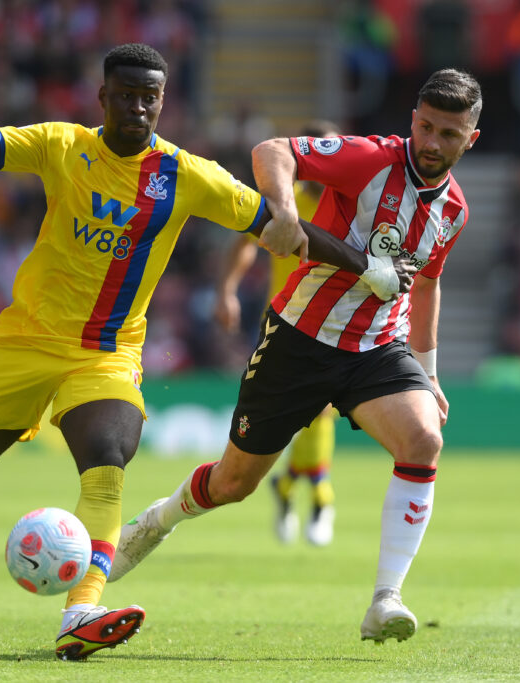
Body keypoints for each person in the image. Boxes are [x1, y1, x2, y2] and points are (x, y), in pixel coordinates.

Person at [0, 43, 408, 661]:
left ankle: (82, 610)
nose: (137, 107)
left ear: (162, 101)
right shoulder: (61, 144)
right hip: (24, 342)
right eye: (125, 95)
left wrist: (368, 265)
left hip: (107, 353)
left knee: (108, 459)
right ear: (103, 98)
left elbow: (278, 226)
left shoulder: (186, 175)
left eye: (149, 97)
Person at [110, 68, 483, 646]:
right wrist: (284, 209)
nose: (432, 144)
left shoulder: (453, 209)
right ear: (413, 120)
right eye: (426, 127)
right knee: (233, 483)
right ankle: (157, 522)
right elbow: (272, 150)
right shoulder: (370, 159)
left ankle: (386, 600)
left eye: (449, 134)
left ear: (471, 139)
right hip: (300, 339)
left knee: (424, 439)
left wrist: (429, 375)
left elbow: (427, 286)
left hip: (377, 349)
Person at [214, 119, 342, 545]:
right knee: (297, 414)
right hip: (284, 321)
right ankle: (294, 488)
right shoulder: (286, 204)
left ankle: (318, 497)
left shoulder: (354, 204)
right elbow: (245, 244)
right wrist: (228, 290)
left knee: (321, 410)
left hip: (337, 324)